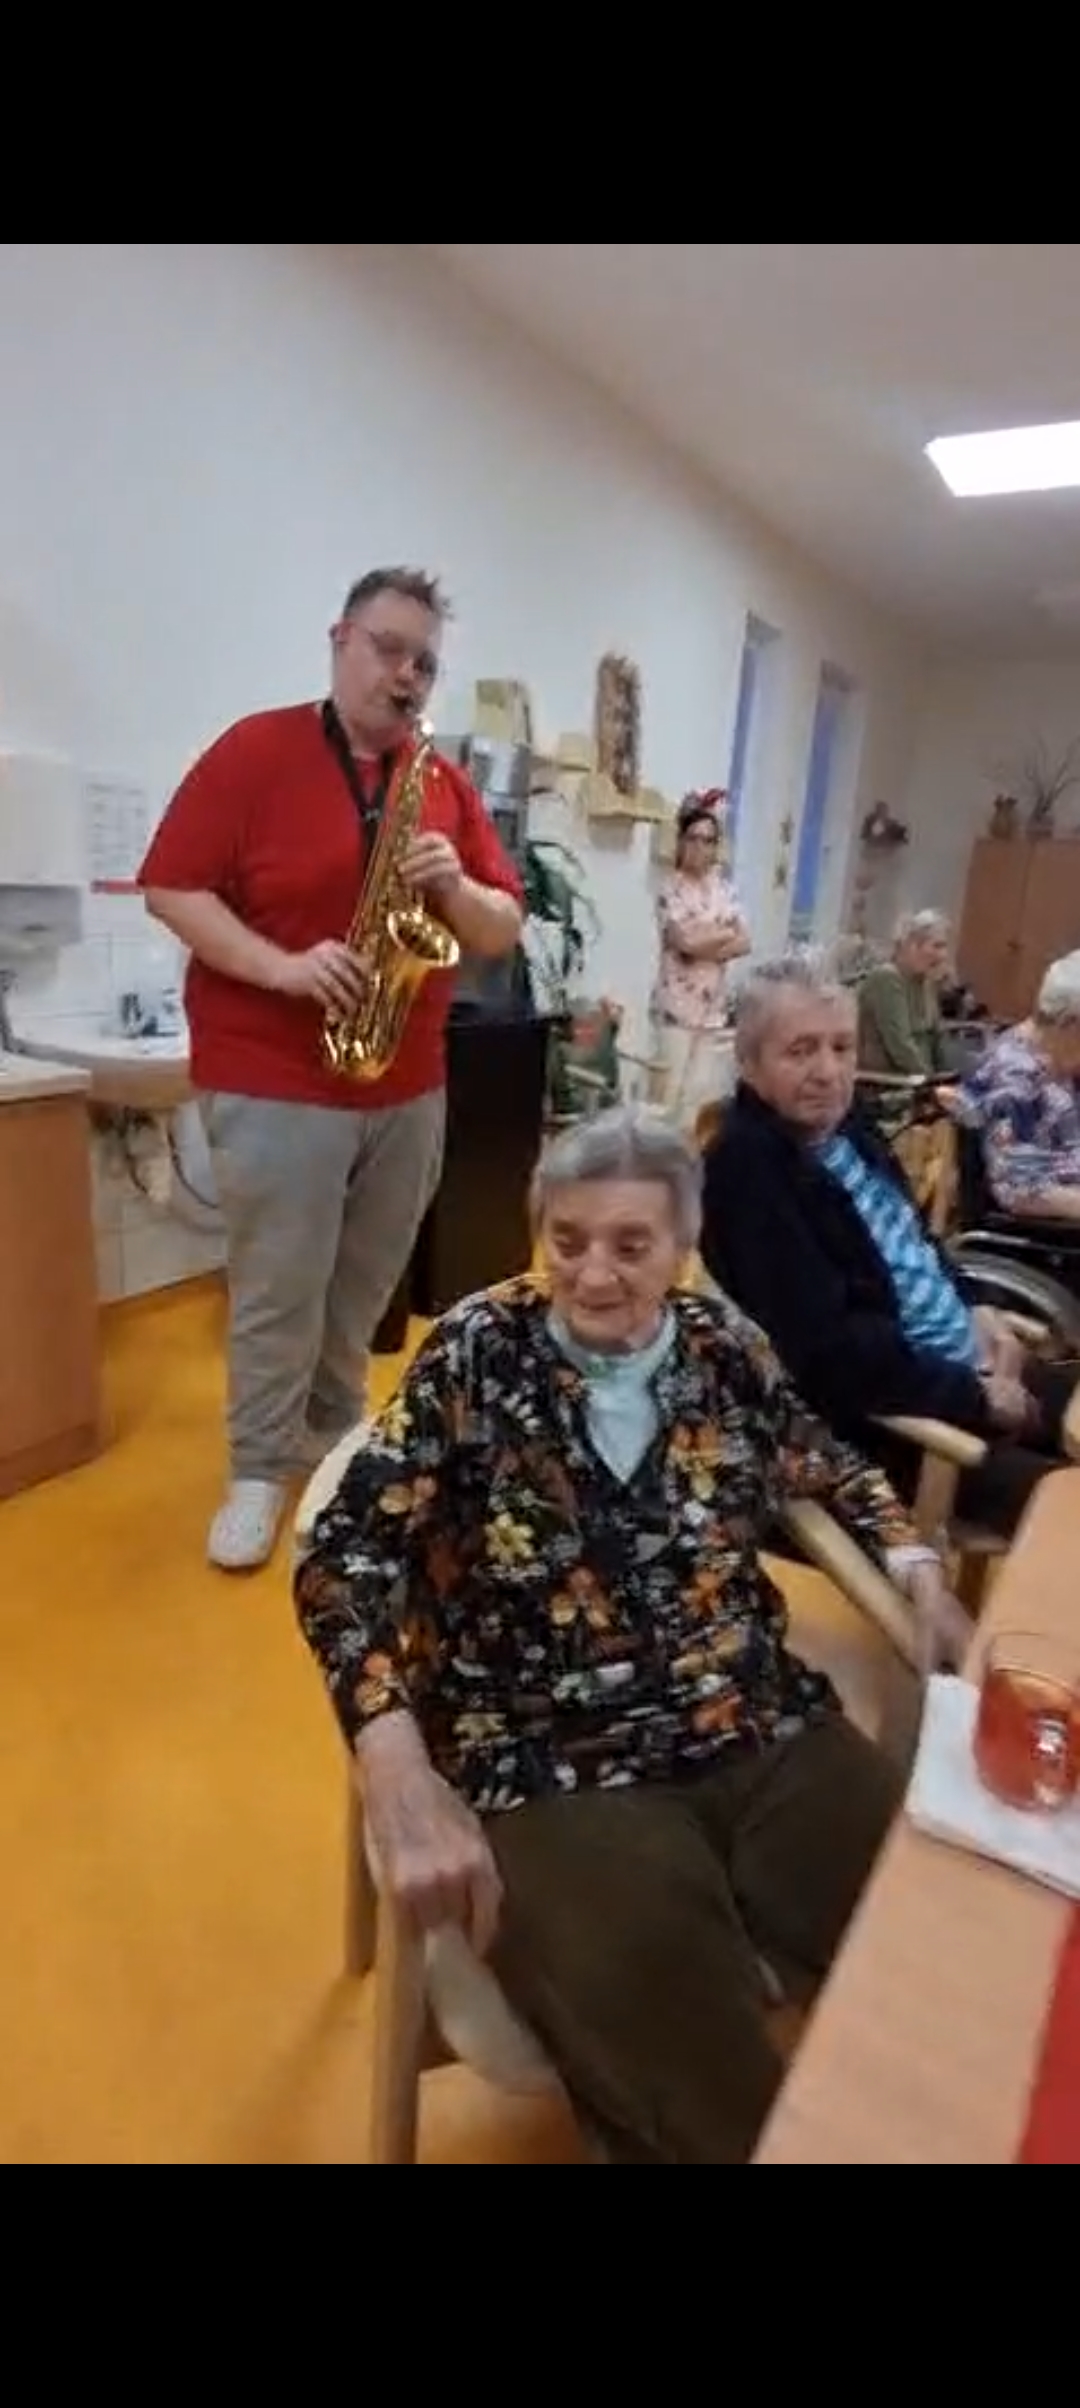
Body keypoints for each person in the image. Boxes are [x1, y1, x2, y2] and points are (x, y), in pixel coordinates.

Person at [294, 1104, 966, 2167]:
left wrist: (916, 1563)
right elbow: (343, 1552)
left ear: (684, 1246)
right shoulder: (478, 1351)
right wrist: (394, 1762)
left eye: (630, 1244)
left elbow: (825, 1460)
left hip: (752, 1713)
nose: (594, 1273)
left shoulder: (722, 1347)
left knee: (938, 1947)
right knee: (686, 2051)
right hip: (547, 1753)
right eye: (567, 1239)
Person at [139, 567, 523, 1571]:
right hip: (274, 1072)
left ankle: (332, 1439)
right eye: (389, 649)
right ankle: (258, 1470)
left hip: (407, 1078)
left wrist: (457, 886)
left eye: (424, 662)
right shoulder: (254, 751)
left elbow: (500, 925)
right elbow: (172, 887)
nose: (406, 675)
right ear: (341, 640)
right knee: (280, 1287)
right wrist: (285, 967)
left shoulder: (441, 785)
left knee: (361, 1288)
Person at [700, 955, 1080, 1539]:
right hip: (898, 1426)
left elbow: (917, 1242)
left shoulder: (848, 1125)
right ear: (749, 1064)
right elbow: (833, 1357)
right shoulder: (748, 1172)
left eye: (842, 1047)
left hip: (967, 1363)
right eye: (800, 1051)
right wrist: (978, 1397)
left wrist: (975, 1305)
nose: (828, 1071)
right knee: (1066, 1520)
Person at [956, 950, 1080, 1221]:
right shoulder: (1013, 1078)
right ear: (1070, 1024)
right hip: (1048, 1231)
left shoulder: (1061, 1060)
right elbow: (1022, 1190)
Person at [652, 792, 750, 1129]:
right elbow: (684, 941)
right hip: (676, 1009)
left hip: (713, 1012)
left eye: (708, 841)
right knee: (667, 1102)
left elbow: (744, 941)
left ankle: (690, 1161)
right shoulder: (670, 888)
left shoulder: (725, 890)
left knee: (699, 1102)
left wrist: (704, 938)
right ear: (681, 842)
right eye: (693, 839)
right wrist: (722, 932)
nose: (700, 847)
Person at [857, 910, 951, 1078]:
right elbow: (900, 1046)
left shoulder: (925, 983)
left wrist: (948, 1078)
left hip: (918, 1081)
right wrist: (931, 1082)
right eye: (936, 946)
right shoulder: (887, 979)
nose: (943, 955)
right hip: (887, 1083)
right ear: (911, 945)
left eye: (944, 947)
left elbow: (937, 1041)